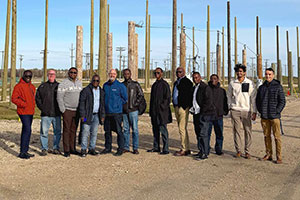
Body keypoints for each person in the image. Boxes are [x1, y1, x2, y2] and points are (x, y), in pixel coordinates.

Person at [256, 68, 286, 164]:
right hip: (264, 116)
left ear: (273, 75)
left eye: (270, 74)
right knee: (266, 136)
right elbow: (258, 101)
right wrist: (261, 111)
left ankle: (279, 156)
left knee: (277, 137)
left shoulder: (278, 87)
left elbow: (282, 101)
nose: (268, 76)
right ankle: (268, 154)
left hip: (275, 117)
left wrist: (277, 111)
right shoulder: (261, 87)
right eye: (266, 74)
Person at [227, 64, 257, 159]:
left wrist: (254, 111)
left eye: (241, 71)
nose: (239, 73)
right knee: (236, 131)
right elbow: (229, 96)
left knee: (247, 130)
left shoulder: (250, 83)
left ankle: (247, 151)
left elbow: (253, 98)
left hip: (246, 110)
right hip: (235, 110)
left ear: (244, 72)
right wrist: (230, 107)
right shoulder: (232, 83)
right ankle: (238, 150)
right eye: (237, 71)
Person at [57, 67, 82, 157]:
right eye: (71, 72)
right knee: (66, 130)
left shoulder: (79, 83)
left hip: (77, 110)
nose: (73, 74)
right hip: (67, 110)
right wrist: (63, 110)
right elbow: (59, 97)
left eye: (75, 72)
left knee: (74, 130)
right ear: (68, 73)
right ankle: (66, 150)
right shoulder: (63, 84)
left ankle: (73, 148)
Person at [102, 69, 128, 156]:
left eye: (113, 74)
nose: (112, 75)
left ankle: (120, 148)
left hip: (116, 112)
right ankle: (107, 148)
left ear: (116, 75)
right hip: (107, 112)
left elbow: (125, 98)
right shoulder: (105, 85)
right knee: (107, 131)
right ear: (108, 74)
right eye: (110, 73)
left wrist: (118, 105)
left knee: (119, 131)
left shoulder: (120, 86)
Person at [35, 69, 62, 156]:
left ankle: (56, 148)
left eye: (53, 74)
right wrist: (42, 108)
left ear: (55, 75)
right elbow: (37, 99)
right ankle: (44, 148)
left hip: (56, 114)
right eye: (50, 74)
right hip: (45, 114)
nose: (51, 75)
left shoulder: (59, 86)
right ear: (47, 75)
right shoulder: (42, 86)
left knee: (57, 132)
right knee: (44, 132)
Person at [78, 75, 105, 157]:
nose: (95, 82)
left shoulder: (101, 91)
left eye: (97, 81)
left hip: (97, 115)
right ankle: (83, 149)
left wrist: (102, 115)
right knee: (85, 132)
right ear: (91, 81)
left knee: (94, 133)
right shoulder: (86, 90)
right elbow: (81, 103)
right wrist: (82, 115)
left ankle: (92, 148)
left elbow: (102, 104)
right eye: (94, 80)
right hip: (87, 115)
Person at [12, 70, 36, 159]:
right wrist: (23, 104)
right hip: (23, 112)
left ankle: (25, 151)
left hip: (30, 111)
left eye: (30, 76)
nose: (28, 78)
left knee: (27, 131)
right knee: (27, 130)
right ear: (23, 76)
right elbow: (14, 98)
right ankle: (22, 152)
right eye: (26, 76)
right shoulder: (18, 86)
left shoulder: (32, 87)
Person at [190, 72, 214, 160]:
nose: (195, 79)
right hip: (196, 113)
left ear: (200, 77)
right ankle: (200, 151)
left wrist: (203, 111)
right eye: (194, 78)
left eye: (196, 77)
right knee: (198, 133)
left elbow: (208, 101)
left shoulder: (205, 87)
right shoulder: (194, 88)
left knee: (203, 134)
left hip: (204, 114)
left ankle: (205, 152)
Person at [148, 67, 172, 155]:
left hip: (162, 112)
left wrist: (162, 107)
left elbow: (168, 98)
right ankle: (156, 147)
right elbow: (152, 99)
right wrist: (151, 110)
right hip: (154, 112)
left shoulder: (165, 84)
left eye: (158, 73)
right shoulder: (154, 85)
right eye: (155, 73)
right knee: (155, 130)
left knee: (163, 130)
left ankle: (166, 148)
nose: (156, 74)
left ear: (162, 73)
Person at [122, 69, 144, 155]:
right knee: (126, 129)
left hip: (133, 110)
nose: (126, 75)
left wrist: (135, 104)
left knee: (135, 129)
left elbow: (141, 95)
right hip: (124, 111)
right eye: (125, 74)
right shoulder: (122, 85)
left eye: (128, 73)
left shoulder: (135, 84)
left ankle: (135, 147)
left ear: (130, 74)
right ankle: (126, 147)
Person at [172, 67, 193, 156]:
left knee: (182, 128)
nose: (178, 73)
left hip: (183, 107)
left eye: (180, 72)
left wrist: (185, 106)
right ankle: (187, 148)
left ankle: (184, 148)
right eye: (177, 72)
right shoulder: (176, 82)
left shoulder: (187, 82)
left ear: (184, 73)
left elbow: (189, 95)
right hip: (176, 107)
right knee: (182, 128)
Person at [207, 74, 229, 155]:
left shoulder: (222, 91)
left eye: (215, 79)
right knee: (207, 133)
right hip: (208, 115)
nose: (213, 80)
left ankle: (218, 149)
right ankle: (206, 148)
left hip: (218, 115)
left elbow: (225, 102)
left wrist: (225, 111)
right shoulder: (207, 89)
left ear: (218, 80)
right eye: (212, 79)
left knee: (219, 133)